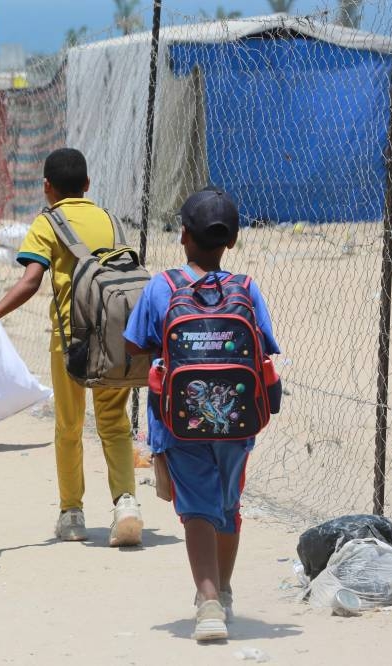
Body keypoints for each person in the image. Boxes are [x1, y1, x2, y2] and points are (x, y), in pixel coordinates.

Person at [124, 188, 280, 642]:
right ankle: (225, 592)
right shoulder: (246, 289)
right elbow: (264, 345)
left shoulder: (162, 287)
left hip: (179, 421)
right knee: (228, 507)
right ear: (230, 242)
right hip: (238, 421)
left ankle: (207, 602)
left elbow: (135, 343)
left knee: (196, 509)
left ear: (183, 236)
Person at [0, 148, 144, 547]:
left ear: (46, 188)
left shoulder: (48, 223)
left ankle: (72, 514)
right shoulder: (108, 219)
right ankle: (126, 503)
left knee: (69, 424)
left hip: (73, 340)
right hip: (117, 334)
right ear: (87, 186)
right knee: (115, 422)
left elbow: (31, 281)